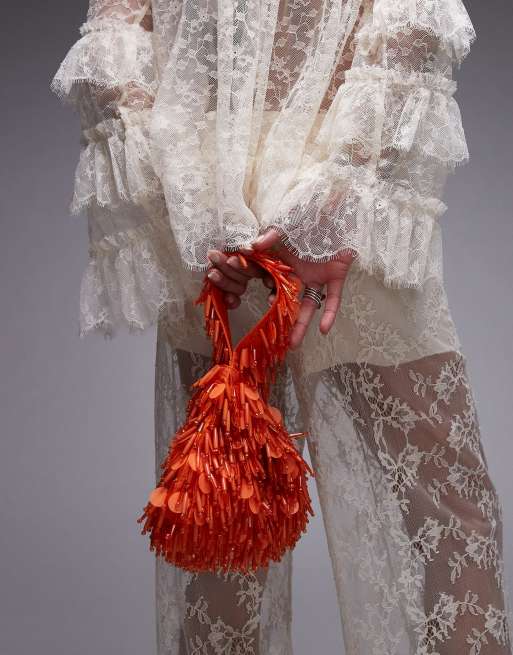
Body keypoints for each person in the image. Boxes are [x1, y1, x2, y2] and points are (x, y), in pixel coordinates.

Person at [51, 0, 513, 652]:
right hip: (337, 194)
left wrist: (194, 205)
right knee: (442, 506)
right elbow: (412, 20)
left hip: (208, 198)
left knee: (223, 516)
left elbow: (113, 42)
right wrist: (338, 192)